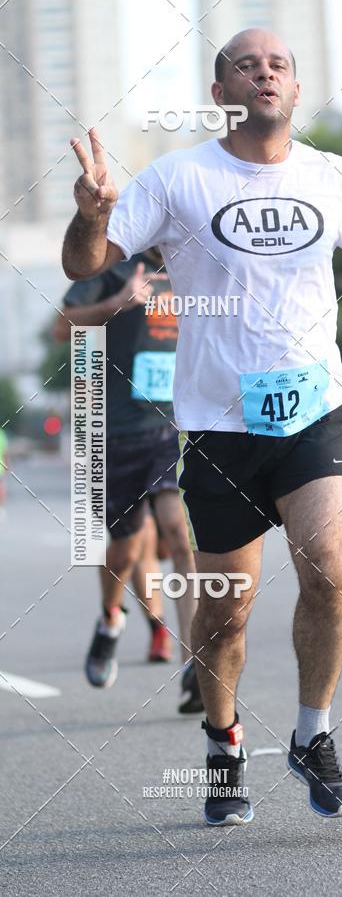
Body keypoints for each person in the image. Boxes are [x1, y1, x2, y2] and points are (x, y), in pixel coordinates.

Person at [61, 27, 342, 825]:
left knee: (331, 572)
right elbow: (83, 265)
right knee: (227, 609)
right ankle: (223, 740)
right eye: (247, 64)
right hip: (217, 426)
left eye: (279, 65)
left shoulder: (330, 175)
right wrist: (93, 217)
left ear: (296, 91)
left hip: (314, 410)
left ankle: (314, 733)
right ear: (221, 91)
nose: (265, 73)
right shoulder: (178, 179)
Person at [55, 252, 203, 713]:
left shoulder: (193, 271)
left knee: (178, 535)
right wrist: (118, 303)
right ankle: (110, 620)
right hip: (114, 432)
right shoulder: (111, 270)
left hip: (171, 430)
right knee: (126, 546)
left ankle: (195, 668)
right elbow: (62, 326)